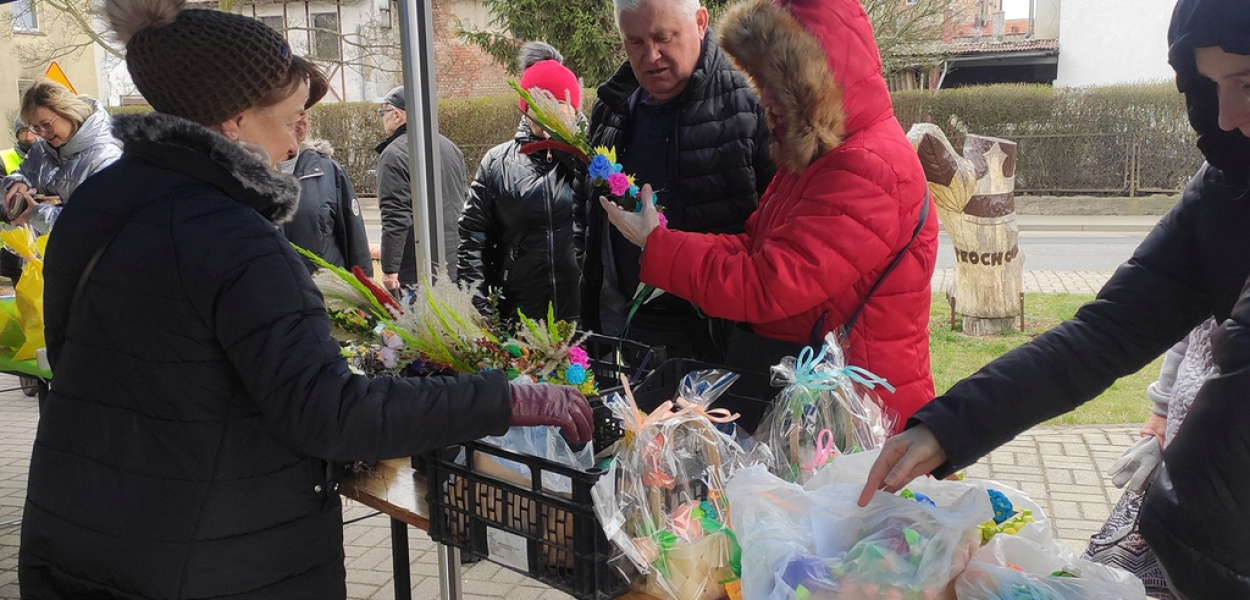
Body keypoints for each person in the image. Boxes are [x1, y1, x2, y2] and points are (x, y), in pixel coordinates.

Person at [20, 1, 591, 597]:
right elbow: (332, 415)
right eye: (292, 118)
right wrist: (504, 399)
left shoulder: (94, 203)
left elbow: (81, 357)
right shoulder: (234, 239)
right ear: (234, 120)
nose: (297, 146)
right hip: (210, 561)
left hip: (76, 539)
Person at [860, 0, 1250, 595]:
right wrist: (947, 427)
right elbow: (1104, 333)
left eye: (1246, 82)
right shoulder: (1229, 189)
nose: (1225, 117)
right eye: (1211, 85)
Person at [601, 0, 936, 430]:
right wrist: (661, 242)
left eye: (780, 83)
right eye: (762, 80)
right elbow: (755, 244)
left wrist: (658, 245)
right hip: (823, 402)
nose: (766, 100)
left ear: (821, 80)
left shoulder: (868, 165)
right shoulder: (823, 156)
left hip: (861, 416)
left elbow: (769, 284)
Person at [578, 0, 775, 360]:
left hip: (723, 340)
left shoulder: (754, 103)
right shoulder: (610, 106)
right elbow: (589, 223)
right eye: (634, 42)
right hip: (628, 331)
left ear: (700, 23)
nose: (651, 56)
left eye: (663, 37)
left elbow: (781, 236)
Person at [1081, 319, 1217, 600]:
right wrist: (1163, 412)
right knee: (1184, 562)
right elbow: (1187, 338)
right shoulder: (1218, 277)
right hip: (1188, 436)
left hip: (1232, 453)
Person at [458, 42, 582, 322]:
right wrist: (479, 307)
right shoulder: (497, 163)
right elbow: (472, 237)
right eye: (541, 101)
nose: (550, 111)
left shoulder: (594, 161)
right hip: (520, 315)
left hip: (584, 316)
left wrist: (570, 151)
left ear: (573, 107)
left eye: (560, 103)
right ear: (526, 107)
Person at [376, 86, 468, 291]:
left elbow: (395, 215)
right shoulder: (450, 147)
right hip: (452, 260)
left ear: (397, 115)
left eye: (384, 113)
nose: (382, 118)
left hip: (416, 267)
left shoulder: (393, 155)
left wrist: (390, 269)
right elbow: (462, 201)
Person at [3, 80, 122, 233]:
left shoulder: (106, 158)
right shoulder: (40, 150)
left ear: (67, 111)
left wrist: (37, 214)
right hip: (38, 253)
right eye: (35, 127)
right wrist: (19, 183)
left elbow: (96, 225)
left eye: (46, 124)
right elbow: (21, 174)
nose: (41, 133)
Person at [279, 110, 373, 275]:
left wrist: (366, 290)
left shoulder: (327, 171)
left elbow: (355, 239)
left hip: (326, 293)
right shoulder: (248, 174)